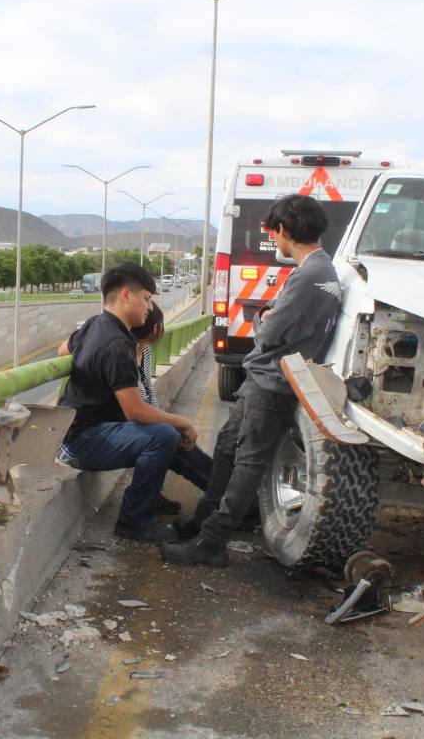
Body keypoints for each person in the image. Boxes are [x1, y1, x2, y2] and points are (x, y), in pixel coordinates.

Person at [161, 194, 342, 566]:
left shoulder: (309, 275)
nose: (274, 241)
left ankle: (212, 542)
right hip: (267, 376)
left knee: (247, 461)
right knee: (228, 446)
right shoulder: (322, 270)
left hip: (273, 381)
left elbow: (270, 334)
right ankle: (206, 519)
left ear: (285, 231)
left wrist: (262, 319)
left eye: (274, 233)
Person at [56, 262, 199, 543]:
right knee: (162, 435)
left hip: (75, 434)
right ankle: (134, 521)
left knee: (170, 436)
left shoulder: (95, 325)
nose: (149, 308)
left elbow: (63, 350)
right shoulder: (117, 345)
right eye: (146, 298)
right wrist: (182, 420)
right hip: (81, 442)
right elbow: (134, 411)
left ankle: (221, 494)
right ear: (126, 295)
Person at [130, 304, 213, 514]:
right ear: (157, 329)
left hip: (133, 423)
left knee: (172, 436)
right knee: (170, 439)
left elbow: (148, 397)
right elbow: (137, 408)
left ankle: (227, 495)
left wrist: (169, 422)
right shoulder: (122, 353)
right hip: (117, 427)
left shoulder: (144, 351)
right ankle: (227, 498)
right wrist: (179, 423)